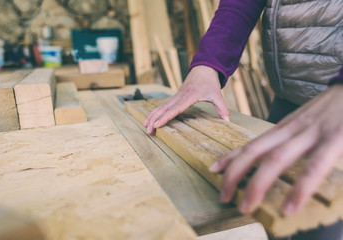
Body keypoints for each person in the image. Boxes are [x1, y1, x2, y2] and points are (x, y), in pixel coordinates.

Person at [143, 0, 343, 239]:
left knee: (319, 221)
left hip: (335, 116)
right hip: (288, 101)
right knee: (271, 213)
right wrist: (209, 63)